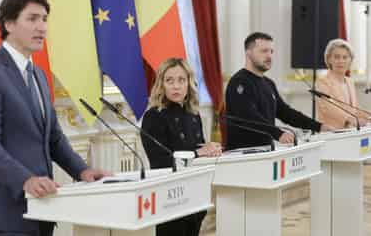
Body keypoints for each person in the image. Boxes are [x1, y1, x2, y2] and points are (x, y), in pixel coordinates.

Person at [0, 0, 110, 236]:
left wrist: (82, 170)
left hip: (44, 204)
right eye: (32, 19)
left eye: (44, 19)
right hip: (8, 209)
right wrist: (25, 180)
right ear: (9, 24)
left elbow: (53, 137)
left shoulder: (40, 75)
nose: (42, 27)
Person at [141, 58, 221, 236]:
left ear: (189, 83)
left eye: (181, 80)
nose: (176, 86)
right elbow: (161, 161)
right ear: (161, 84)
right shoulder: (153, 117)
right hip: (169, 197)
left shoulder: (193, 114)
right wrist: (199, 152)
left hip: (195, 193)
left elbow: (198, 149)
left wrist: (210, 151)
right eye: (169, 80)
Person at [225, 32, 332, 150]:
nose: (269, 56)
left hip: (266, 150)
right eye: (264, 51)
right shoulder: (239, 82)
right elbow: (247, 116)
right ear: (248, 53)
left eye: (271, 51)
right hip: (242, 153)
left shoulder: (268, 83)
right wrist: (277, 133)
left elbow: (286, 113)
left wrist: (318, 126)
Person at [316, 39, 369, 128]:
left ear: (350, 61)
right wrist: (351, 119)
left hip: (350, 131)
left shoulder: (350, 82)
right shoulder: (322, 82)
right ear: (329, 59)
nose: (341, 61)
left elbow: (354, 109)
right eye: (337, 57)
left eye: (345, 57)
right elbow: (329, 108)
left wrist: (368, 117)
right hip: (331, 132)